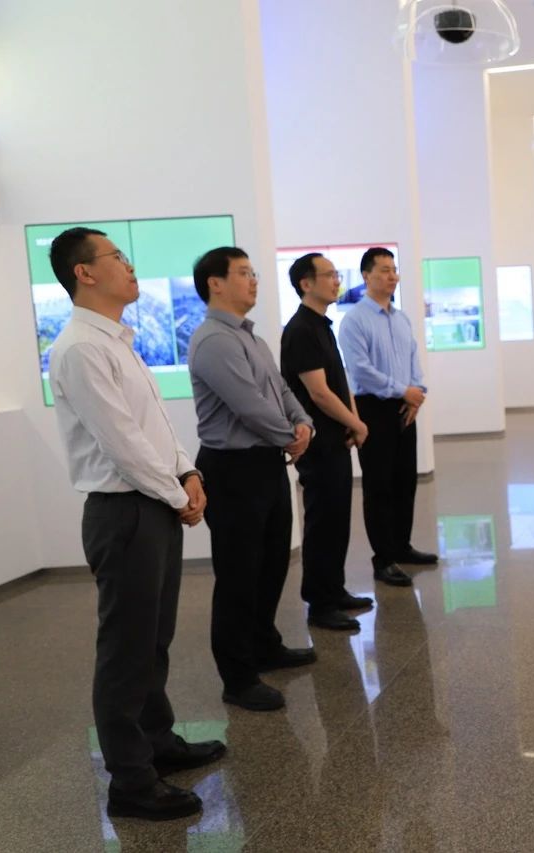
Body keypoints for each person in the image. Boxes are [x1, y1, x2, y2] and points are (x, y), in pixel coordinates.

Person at [47, 227, 223, 821]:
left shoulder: (117, 340)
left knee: (153, 640)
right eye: (117, 256)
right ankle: (130, 781)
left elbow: (154, 427)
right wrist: (177, 494)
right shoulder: (80, 348)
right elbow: (121, 442)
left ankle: (157, 742)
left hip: (153, 503)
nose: (129, 265)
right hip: (124, 512)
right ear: (84, 273)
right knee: (125, 652)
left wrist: (187, 472)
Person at [188, 247, 317, 713]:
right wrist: (290, 436)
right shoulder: (213, 341)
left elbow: (280, 390)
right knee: (239, 575)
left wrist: (303, 424)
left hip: (265, 463)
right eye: (243, 273)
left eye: (253, 272)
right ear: (215, 283)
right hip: (233, 469)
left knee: (271, 564)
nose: (254, 280)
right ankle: (238, 677)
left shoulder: (253, 339)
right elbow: (248, 405)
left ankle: (264, 645)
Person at [281, 252, 374, 631]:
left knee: (337, 518)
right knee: (322, 521)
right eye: (329, 275)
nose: (337, 281)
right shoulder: (301, 330)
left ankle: (334, 590)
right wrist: (357, 424)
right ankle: (320, 604)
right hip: (317, 443)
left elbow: (338, 380)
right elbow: (318, 393)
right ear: (306, 284)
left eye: (337, 274)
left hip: (335, 437)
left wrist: (352, 419)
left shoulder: (322, 325)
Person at [337, 247, 439, 588]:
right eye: (384, 269)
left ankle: (401, 546)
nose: (392, 275)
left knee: (404, 481)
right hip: (374, 409)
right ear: (366, 276)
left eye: (394, 269)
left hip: (405, 407)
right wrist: (402, 391)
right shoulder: (355, 320)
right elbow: (361, 371)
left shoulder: (401, 318)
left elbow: (413, 359)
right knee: (379, 485)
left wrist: (417, 392)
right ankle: (383, 559)